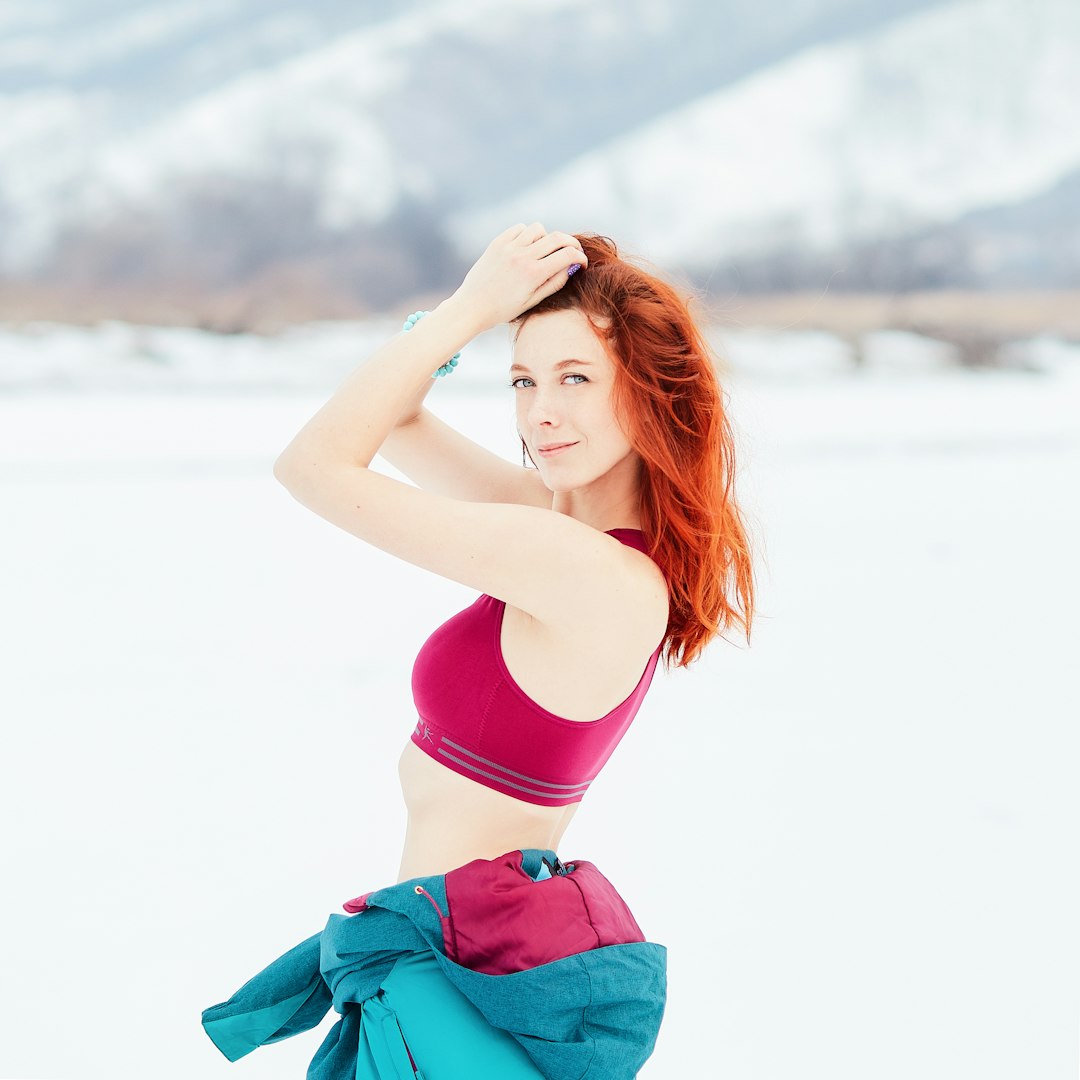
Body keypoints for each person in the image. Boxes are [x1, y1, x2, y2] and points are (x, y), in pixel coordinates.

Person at [200, 223, 756, 1078]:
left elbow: (312, 466)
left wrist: (468, 310)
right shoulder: (564, 529)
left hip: (459, 987)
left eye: (577, 378)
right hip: (454, 968)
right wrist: (455, 326)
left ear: (651, 392)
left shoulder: (582, 566)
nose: (541, 410)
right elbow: (397, 421)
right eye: (524, 379)